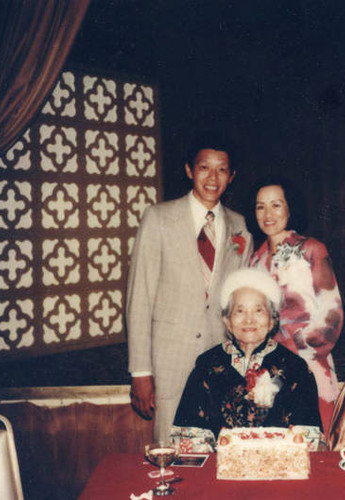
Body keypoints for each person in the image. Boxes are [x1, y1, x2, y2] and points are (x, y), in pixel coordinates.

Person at [126, 135, 253, 442]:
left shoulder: (240, 227)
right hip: (169, 358)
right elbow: (139, 297)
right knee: (170, 448)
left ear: (231, 176)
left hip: (222, 359)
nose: (213, 177)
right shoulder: (158, 218)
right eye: (204, 168)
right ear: (188, 170)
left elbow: (239, 300)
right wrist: (140, 371)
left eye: (222, 170)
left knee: (218, 445)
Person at [170, 268, 322, 449]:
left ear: (272, 320)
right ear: (227, 320)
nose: (249, 320)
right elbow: (190, 433)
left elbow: (306, 435)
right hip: (219, 468)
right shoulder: (207, 364)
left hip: (277, 467)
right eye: (240, 311)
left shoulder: (294, 367)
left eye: (259, 311)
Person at [249, 176, 343, 432]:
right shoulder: (254, 261)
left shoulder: (312, 250)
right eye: (260, 206)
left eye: (276, 205)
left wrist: (291, 347)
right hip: (266, 372)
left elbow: (331, 319)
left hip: (310, 364)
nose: (267, 214)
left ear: (290, 209)